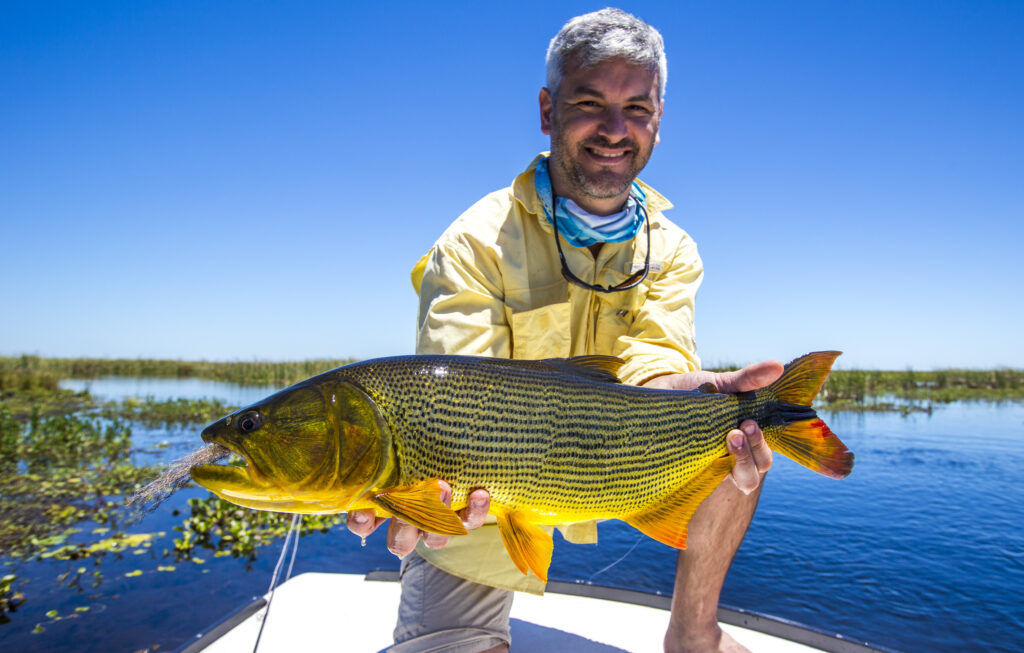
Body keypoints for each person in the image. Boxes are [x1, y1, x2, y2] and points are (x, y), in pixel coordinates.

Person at [347, 8, 781, 653]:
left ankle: (693, 633)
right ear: (548, 111)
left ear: (659, 117)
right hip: (484, 488)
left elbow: (654, 361)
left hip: (612, 458)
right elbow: (453, 409)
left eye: (637, 107)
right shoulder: (474, 239)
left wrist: (693, 388)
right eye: (589, 102)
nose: (614, 129)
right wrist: (404, 493)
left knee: (731, 426)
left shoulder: (676, 248)